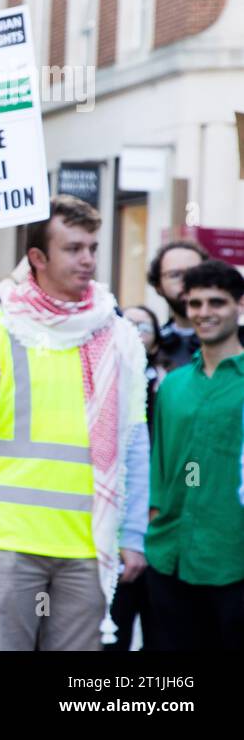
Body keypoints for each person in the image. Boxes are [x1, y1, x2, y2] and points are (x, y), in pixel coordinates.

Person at [0, 195, 150, 650]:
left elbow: (134, 440)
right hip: (7, 541)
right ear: (37, 257)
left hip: (86, 545)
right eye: (74, 248)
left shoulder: (116, 335)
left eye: (93, 247)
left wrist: (132, 534)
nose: (89, 259)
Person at [144, 259, 244, 650]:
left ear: (239, 305)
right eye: (196, 304)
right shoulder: (174, 386)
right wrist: (154, 521)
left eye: (216, 303)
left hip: (232, 561)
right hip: (171, 557)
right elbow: (162, 464)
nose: (204, 313)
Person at [104, 303, 165, 651]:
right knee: (114, 630)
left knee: (159, 632)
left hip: (160, 518)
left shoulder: (167, 381)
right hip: (118, 515)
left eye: (144, 326)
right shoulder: (109, 376)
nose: (136, 332)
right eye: (129, 324)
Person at [147, 240, 208, 370]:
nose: (186, 281)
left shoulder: (236, 341)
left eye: (194, 273)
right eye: (175, 275)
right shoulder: (150, 345)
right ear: (158, 287)